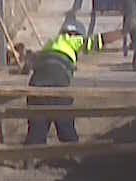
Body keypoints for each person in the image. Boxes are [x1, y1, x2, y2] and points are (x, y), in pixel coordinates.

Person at [24, 18, 124, 147]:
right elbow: (98, 40)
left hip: (36, 89)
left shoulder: (50, 44)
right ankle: (73, 156)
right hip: (58, 87)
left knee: (37, 129)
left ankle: (29, 159)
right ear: (75, 34)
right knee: (66, 128)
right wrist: (123, 32)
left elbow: (30, 63)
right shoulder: (71, 40)